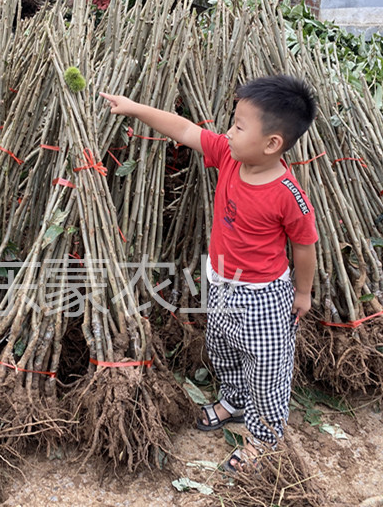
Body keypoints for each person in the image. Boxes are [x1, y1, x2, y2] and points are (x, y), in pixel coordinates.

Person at [100, 75, 318, 472]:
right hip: (220, 283)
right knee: (222, 349)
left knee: (267, 370)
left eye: (238, 125)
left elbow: (304, 246)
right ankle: (234, 400)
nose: (228, 132)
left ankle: (265, 438)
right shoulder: (231, 156)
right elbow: (184, 130)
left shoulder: (289, 194)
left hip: (264, 297)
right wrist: (133, 107)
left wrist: (302, 293)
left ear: (272, 143)